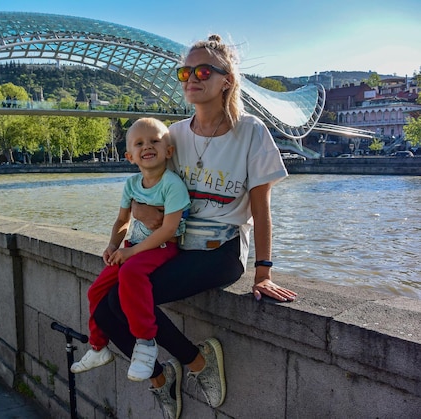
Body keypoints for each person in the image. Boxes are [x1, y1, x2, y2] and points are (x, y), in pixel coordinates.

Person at [92, 35, 297, 419]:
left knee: (129, 297)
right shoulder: (174, 135)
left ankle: (198, 362)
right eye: (185, 71)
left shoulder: (251, 132)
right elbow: (147, 185)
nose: (191, 78)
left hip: (222, 251)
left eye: (203, 71)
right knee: (104, 310)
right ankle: (160, 378)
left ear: (227, 81)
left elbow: (261, 208)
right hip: (175, 244)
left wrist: (263, 272)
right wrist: (137, 207)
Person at [70, 117, 190, 382]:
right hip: (134, 248)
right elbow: (123, 220)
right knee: (96, 290)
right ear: (130, 156)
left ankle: (146, 342)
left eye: (154, 141)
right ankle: (98, 347)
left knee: (131, 273)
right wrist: (113, 245)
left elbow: (169, 230)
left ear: (168, 151)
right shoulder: (131, 185)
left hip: (162, 247)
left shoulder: (173, 185)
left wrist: (130, 254)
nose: (147, 147)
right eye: (139, 143)